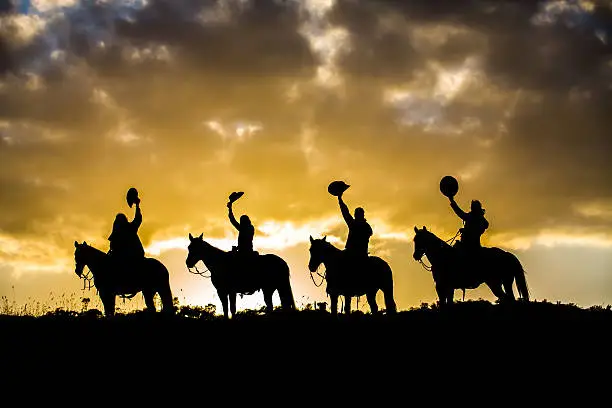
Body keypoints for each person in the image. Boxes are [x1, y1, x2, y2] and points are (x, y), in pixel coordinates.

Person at [108, 197, 145, 272]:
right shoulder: (116, 234)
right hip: (121, 257)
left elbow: (138, 219)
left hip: (134, 255)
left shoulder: (130, 228)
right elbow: (113, 246)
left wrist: (137, 206)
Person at [338, 192, 372, 260]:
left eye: (358, 214)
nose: (356, 216)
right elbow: (345, 212)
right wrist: (340, 200)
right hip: (350, 252)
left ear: (362, 215)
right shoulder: (354, 223)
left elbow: (346, 213)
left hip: (360, 254)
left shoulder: (364, 226)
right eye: (356, 214)